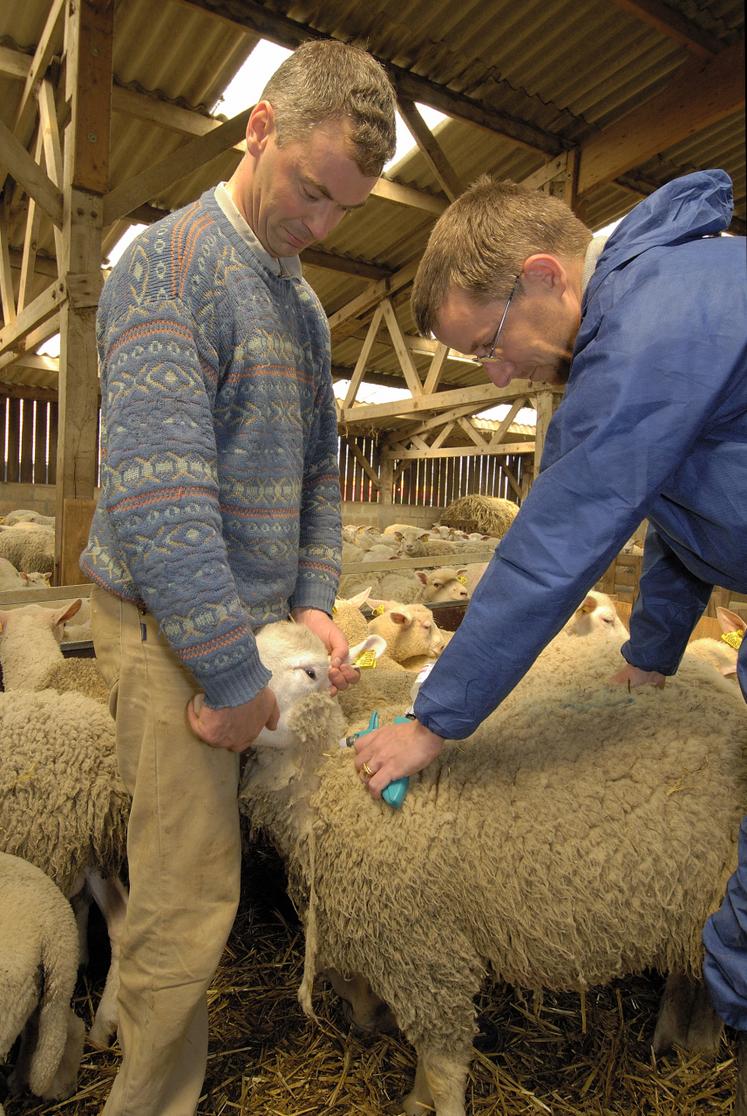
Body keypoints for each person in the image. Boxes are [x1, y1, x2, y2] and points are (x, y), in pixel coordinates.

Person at [82, 40, 396, 1115]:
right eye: (311, 189)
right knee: (189, 885)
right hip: (175, 627)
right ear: (258, 127)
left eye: (340, 208)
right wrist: (236, 681)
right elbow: (163, 508)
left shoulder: (300, 307)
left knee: (216, 873)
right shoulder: (169, 268)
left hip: (257, 630)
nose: (318, 223)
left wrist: (313, 600)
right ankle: (151, 1102)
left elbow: (319, 468)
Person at [352, 170, 747, 1026]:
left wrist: (433, 720)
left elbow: (554, 549)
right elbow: (682, 508)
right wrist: (649, 656)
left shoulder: (651, 326)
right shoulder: (643, 316)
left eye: (488, 341)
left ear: (542, 275)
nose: (495, 372)